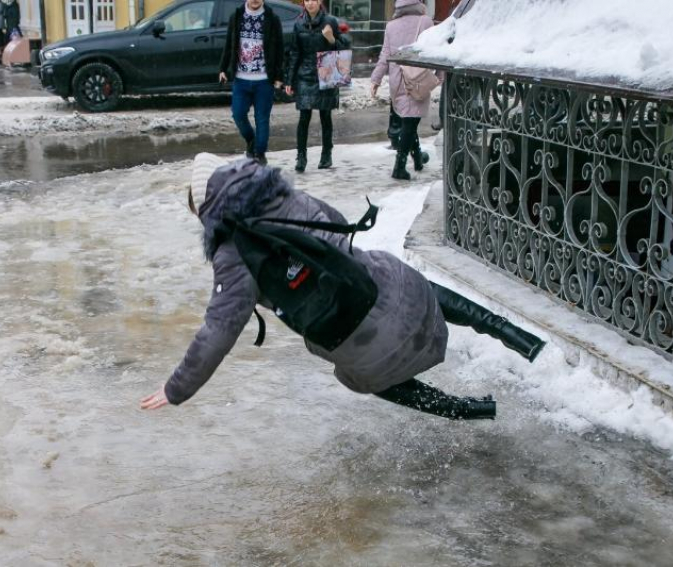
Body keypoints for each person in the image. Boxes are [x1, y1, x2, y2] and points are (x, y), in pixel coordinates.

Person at [141, 155, 545, 419]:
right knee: (401, 280)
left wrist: (176, 389)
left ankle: (465, 410)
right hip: (394, 294)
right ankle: (518, 337)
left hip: (359, 345)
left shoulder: (232, 255)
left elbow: (218, 330)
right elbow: (337, 227)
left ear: (208, 210)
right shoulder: (287, 197)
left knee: (360, 373)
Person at [371, 0, 442, 181]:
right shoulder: (425, 21)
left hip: (397, 79)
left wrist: (375, 79)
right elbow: (436, 50)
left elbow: (385, 55)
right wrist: (441, 75)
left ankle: (417, 158)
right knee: (410, 123)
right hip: (417, 79)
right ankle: (399, 167)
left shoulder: (391, 26)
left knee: (409, 122)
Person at [284, 0, 349, 173]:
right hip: (305, 75)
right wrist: (289, 80)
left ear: (319, 1)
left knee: (325, 116)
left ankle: (326, 154)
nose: (310, 3)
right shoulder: (298, 24)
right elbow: (294, 53)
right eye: (307, 0)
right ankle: (301, 156)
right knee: (304, 117)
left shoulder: (330, 22)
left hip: (326, 73)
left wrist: (331, 39)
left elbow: (343, 48)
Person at [218, 0, 284, 165]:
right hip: (241, 78)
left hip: (263, 80)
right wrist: (223, 68)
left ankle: (260, 155)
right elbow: (229, 44)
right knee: (238, 114)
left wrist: (278, 76)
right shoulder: (237, 17)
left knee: (262, 118)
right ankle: (251, 141)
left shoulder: (272, 19)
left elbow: (279, 49)